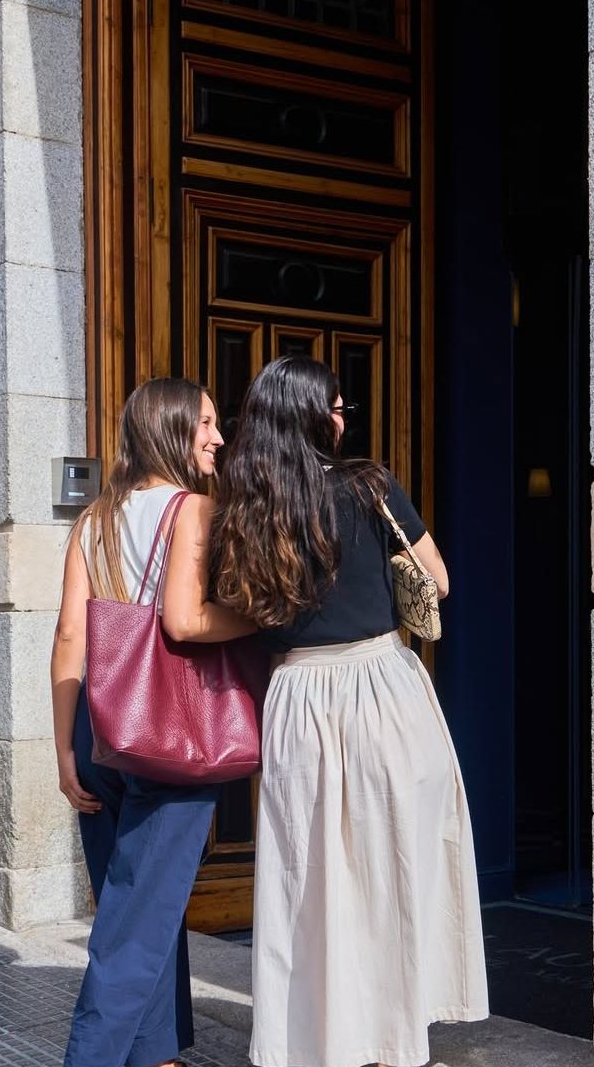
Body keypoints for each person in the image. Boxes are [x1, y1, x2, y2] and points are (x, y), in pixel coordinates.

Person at [212, 356, 488, 1067]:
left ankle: (319, 1036)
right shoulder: (370, 485)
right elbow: (440, 580)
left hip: (300, 696)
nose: (342, 419)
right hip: (384, 689)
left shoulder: (242, 504)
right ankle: (395, 1035)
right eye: (336, 407)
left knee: (312, 878)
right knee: (396, 862)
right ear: (310, 414)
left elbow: (237, 611)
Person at [51, 378, 255, 1067]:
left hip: (97, 724)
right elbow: (183, 621)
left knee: (140, 910)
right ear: (169, 428)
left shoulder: (94, 520)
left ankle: (158, 1054)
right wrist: (262, 620)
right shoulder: (191, 511)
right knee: (133, 930)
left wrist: (63, 751)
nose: (217, 437)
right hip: (165, 735)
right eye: (203, 423)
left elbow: (70, 639)